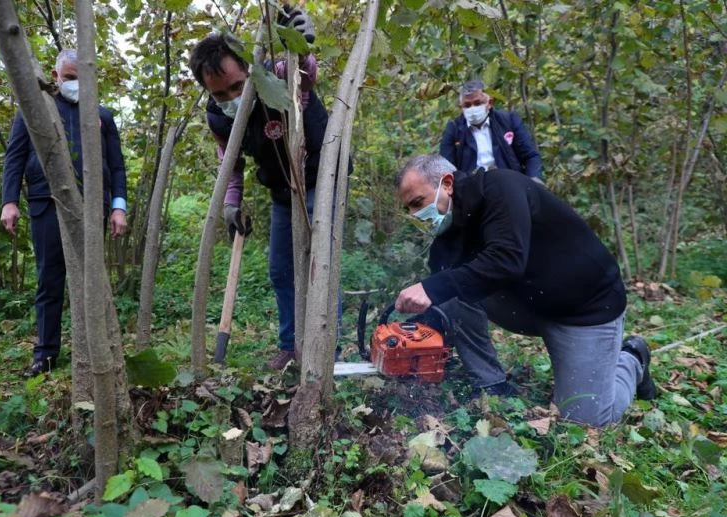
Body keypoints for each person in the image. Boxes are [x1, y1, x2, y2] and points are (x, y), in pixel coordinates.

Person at [393, 154, 655, 427]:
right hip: (527, 303)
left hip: (583, 308)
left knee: (586, 421)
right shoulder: (447, 232)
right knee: (447, 292)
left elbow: (506, 260)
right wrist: (413, 337)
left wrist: (433, 287)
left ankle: (633, 359)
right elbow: (444, 290)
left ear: (447, 184)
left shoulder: (501, 189)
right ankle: (491, 383)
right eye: (408, 209)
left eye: (417, 203)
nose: (415, 215)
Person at [189, 7, 341, 370]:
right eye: (221, 93)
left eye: (238, 86)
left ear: (250, 70)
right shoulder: (217, 117)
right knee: (279, 269)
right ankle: (291, 346)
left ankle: (325, 348)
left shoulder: (277, 76)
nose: (231, 98)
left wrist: (301, 47)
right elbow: (232, 164)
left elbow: (306, 74)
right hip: (282, 190)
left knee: (319, 263)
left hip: (320, 176)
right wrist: (231, 204)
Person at [0, 48, 128, 377]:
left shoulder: (102, 115)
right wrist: (9, 201)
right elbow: (14, 157)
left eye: (83, 79)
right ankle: (46, 355)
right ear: (56, 77)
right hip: (47, 201)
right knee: (50, 278)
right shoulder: (36, 111)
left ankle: (93, 347)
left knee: (91, 278)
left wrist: (118, 207)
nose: (77, 85)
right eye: (71, 79)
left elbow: (116, 166)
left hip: (92, 204)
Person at [439, 80, 542, 182]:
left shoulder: (508, 121)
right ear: (461, 107)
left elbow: (531, 156)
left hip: (509, 184)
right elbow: (446, 167)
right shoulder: (454, 129)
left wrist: (533, 182)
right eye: (467, 105)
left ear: (490, 103)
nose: (472, 108)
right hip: (471, 188)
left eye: (478, 103)